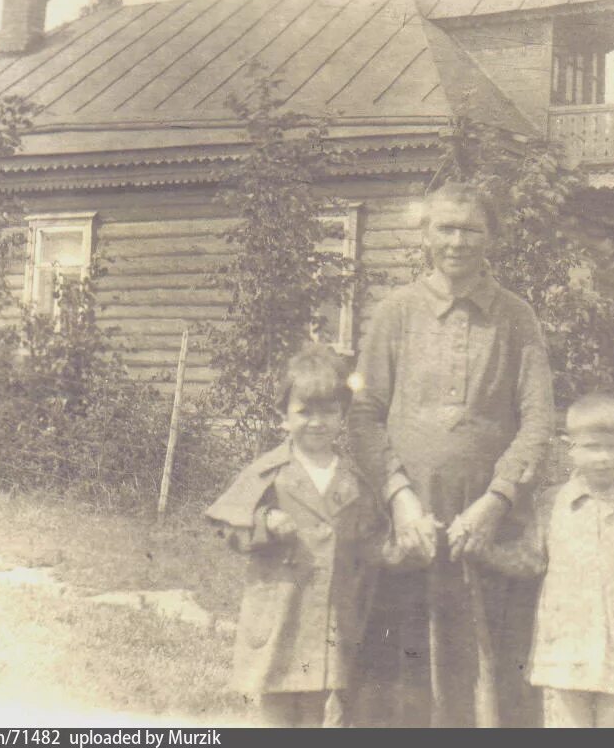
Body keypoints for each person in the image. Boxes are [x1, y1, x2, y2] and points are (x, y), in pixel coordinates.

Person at [348, 181, 555, 727]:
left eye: (471, 229)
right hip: (410, 526)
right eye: (445, 228)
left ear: (491, 238)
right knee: (398, 676)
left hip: (487, 530)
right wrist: (398, 500)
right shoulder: (396, 312)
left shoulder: (516, 317)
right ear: (426, 234)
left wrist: (497, 501)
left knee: (488, 680)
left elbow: (538, 421)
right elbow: (364, 414)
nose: (457, 241)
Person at [204, 345, 395, 727]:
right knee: (276, 704)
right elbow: (229, 526)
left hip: (328, 616)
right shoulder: (270, 472)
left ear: (342, 414)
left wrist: (399, 547)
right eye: (304, 411)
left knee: (317, 706)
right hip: (280, 612)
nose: (316, 422)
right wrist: (266, 521)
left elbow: (370, 538)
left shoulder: (353, 479)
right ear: (284, 418)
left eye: (328, 411)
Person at [471, 393, 614, 728]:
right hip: (566, 643)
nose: (604, 457)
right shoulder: (553, 505)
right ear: (570, 448)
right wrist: (485, 552)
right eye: (592, 447)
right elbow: (530, 558)